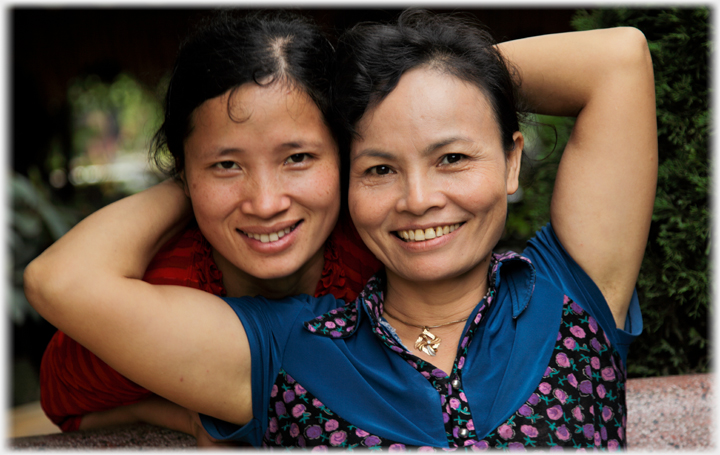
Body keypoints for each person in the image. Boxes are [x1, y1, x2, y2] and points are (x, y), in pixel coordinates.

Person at [25, 9, 656, 449]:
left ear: (512, 160)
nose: (418, 199)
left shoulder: (573, 294)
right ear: (347, 183)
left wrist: (421, 81)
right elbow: (63, 281)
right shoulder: (286, 349)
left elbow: (618, 60)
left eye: (453, 157)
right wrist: (199, 174)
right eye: (379, 167)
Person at [38, 10, 379, 440]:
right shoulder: (156, 291)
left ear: (345, 154)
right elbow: (66, 407)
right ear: (181, 170)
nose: (266, 203)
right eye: (226, 164)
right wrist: (182, 414)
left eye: (298, 158)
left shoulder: (379, 249)